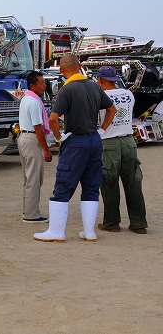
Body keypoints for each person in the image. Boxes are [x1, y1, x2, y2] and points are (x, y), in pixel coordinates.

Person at [34, 54, 117, 243]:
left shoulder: (67, 89)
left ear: (61, 70)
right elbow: (112, 109)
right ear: (79, 66)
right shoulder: (94, 86)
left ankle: (56, 231)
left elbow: (53, 118)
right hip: (94, 140)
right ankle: (89, 232)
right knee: (91, 186)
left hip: (75, 141)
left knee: (63, 185)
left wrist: (58, 137)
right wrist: (102, 130)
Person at [96, 66, 148, 234]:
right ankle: (138, 223)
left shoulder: (101, 96)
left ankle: (111, 223)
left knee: (109, 183)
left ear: (101, 79)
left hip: (109, 142)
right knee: (133, 183)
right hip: (128, 141)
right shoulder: (128, 94)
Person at [18, 70, 52, 223]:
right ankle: (31, 214)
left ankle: (28, 210)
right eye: (42, 83)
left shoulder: (26, 98)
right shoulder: (34, 102)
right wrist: (45, 149)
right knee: (34, 179)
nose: (44, 85)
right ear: (33, 85)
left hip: (24, 138)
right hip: (31, 139)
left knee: (28, 178)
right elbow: (38, 127)